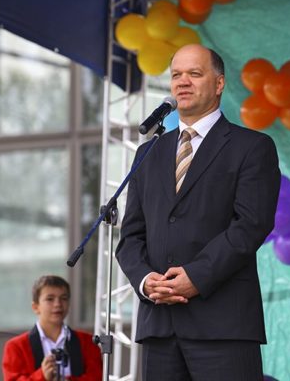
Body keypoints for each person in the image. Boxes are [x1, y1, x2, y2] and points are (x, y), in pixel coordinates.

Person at [115, 44, 281, 381]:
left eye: (194, 73)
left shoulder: (252, 147)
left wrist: (196, 276)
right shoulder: (149, 153)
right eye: (176, 74)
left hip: (224, 325)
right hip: (160, 327)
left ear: (219, 84)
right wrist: (145, 281)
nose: (182, 82)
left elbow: (251, 225)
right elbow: (130, 236)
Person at [2, 275, 103, 381]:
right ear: (35, 307)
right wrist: (42, 376)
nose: (58, 304)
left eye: (64, 298)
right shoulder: (16, 347)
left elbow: (97, 377)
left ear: (69, 304)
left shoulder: (88, 342)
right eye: (50, 299)